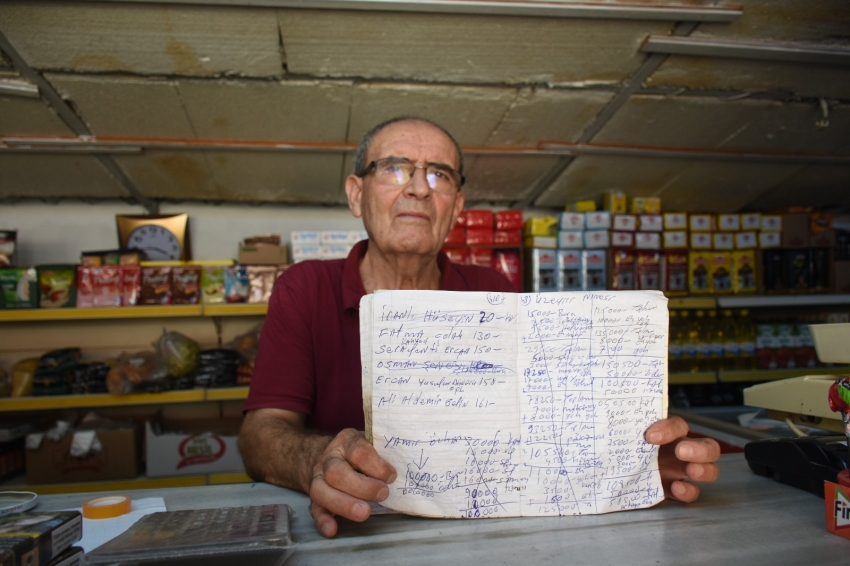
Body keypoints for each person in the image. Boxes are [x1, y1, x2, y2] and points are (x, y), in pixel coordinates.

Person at [238, 116, 721, 539]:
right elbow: (260, 433)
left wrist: (627, 462)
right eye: (394, 168)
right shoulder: (305, 287)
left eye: (439, 175)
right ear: (356, 193)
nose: (419, 187)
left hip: (483, 538)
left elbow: (541, 428)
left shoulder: (493, 290)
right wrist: (316, 460)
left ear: (457, 205)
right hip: (358, 532)